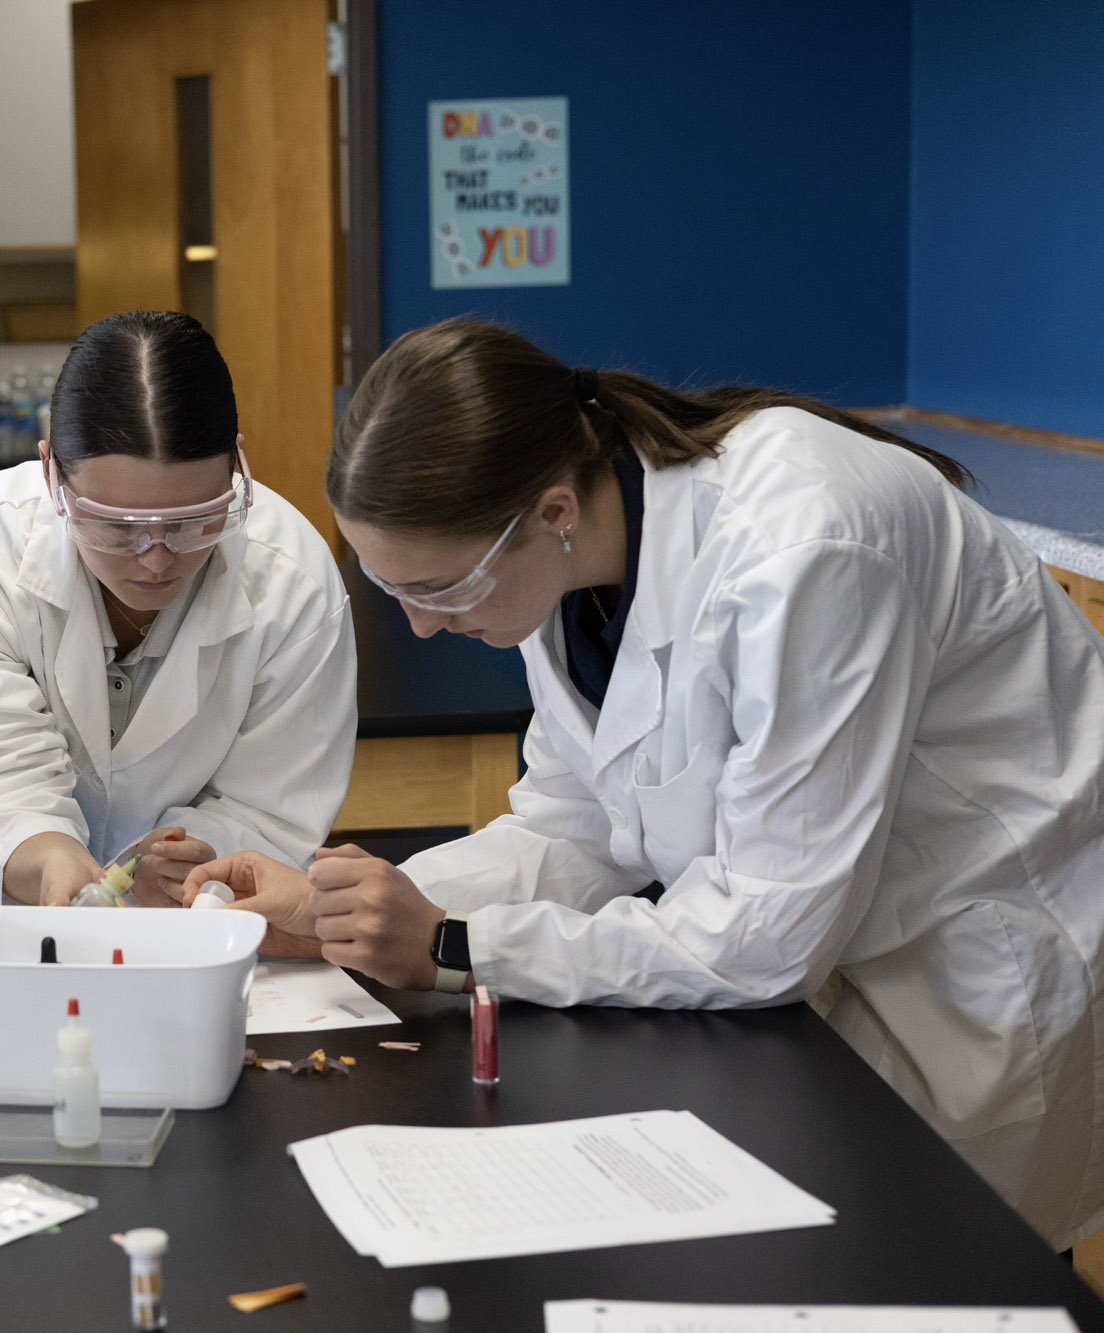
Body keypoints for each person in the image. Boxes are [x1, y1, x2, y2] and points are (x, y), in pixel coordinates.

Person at [187, 317, 1104, 1249]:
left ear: (548, 511)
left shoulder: (804, 546)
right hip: (840, 958)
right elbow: (571, 825)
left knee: (961, 1278)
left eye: (442, 589)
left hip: (979, 957)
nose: (423, 628)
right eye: (399, 594)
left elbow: (767, 938)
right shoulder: (572, 563)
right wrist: (345, 915)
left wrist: (455, 945)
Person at [0, 310, 356, 905]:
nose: (155, 560)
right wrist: (51, 857)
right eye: (114, 525)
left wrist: (200, 859)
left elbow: (273, 803)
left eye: (192, 521)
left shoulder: (293, 583)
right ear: (52, 472)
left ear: (237, 468)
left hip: (197, 912)